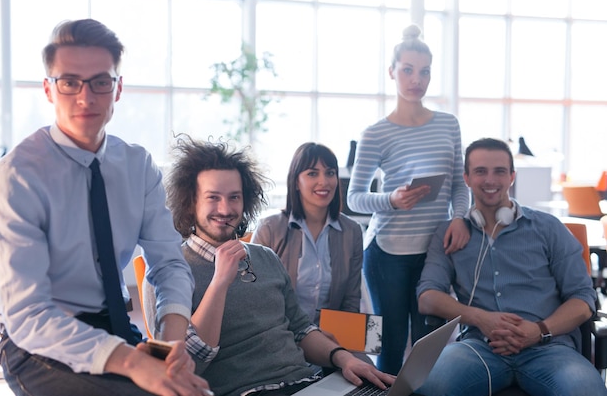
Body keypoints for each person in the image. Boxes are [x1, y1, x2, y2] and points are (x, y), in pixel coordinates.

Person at [0, 19, 209, 396]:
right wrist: (135, 363)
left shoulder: (138, 166)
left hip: (116, 328)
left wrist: (169, 346)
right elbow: (28, 315)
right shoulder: (17, 177)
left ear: (118, 88)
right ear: (48, 89)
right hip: (40, 341)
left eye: (100, 82)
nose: (85, 98)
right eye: (69, 82)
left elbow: (169, 263)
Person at [143, 136, 394, 396]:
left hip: (308, 382)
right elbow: (183, 368)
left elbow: (300, 328)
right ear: (190, 201)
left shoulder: (265, 257)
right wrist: (220, 282)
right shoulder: (168, 270)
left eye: (234, 197)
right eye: (213, 197)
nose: (225, 208)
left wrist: (343, 358)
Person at [415, 137, 607, 395]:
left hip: (549, 347)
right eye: (481, 171)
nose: (490, 180)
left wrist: (538, 331)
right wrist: (479, 318)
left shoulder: (548, 227)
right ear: (467, 178)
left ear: (512, 176)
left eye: (500, 171)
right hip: (478, 348)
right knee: (430, 386)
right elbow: (427, 298)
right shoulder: (450, 233)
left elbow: (584, 299)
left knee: (586, 391)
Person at [346, 23, 470, 374]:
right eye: (408, 70)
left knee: (429, 347)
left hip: (436, 250)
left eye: (425, 72)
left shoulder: (448, 124)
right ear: (392, 73)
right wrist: (391, 200)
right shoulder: (375, 134)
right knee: (390, 346)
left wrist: (460, 217)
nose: (417, 79)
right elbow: (355, 198)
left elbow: (460, 185)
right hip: (387, 253)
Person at [251, 142, 363, 325]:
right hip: (281, 334)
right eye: (312, 173)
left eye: (330, 173)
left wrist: (337, 348)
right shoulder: (269, 228)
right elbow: (257, 298)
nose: (324, 181)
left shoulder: (352, 232)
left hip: (330, 336)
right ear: (296, 181)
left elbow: (351, 302)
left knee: (364, 353)